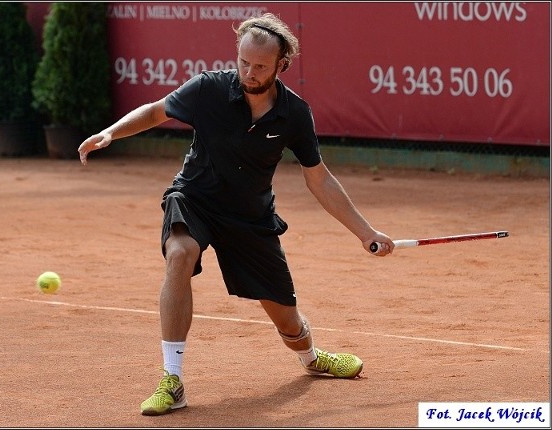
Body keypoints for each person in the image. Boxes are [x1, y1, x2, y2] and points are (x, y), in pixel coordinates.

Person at [78, 12, 395, 416]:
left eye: (260, 66)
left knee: (288, 321)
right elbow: (157, 112)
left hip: (250, 217)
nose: (249, 72)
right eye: (244, 62)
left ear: (282, 65)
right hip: (196, 197)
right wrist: (111, 132)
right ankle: (172, 380)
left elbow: (319, 179)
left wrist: (365, 231)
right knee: (179, 253)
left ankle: (311, 357)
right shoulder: (208, 89)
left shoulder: (295, 114)